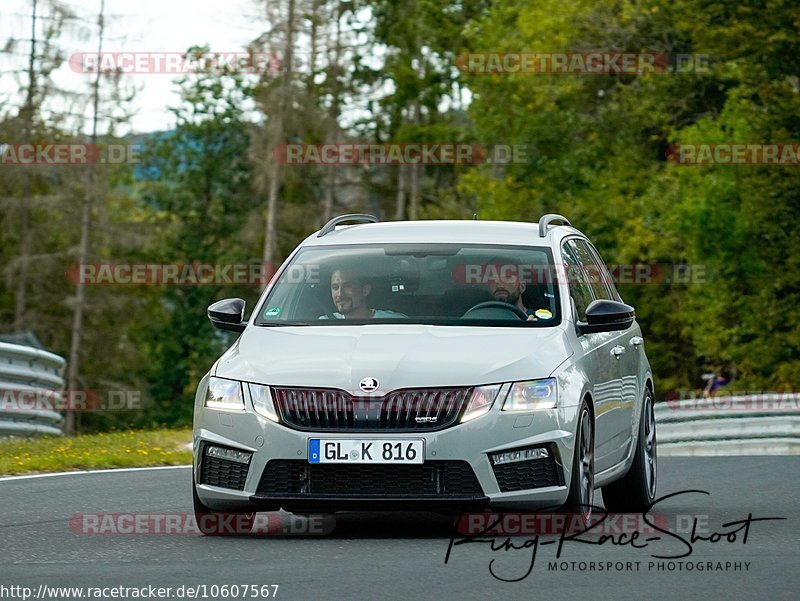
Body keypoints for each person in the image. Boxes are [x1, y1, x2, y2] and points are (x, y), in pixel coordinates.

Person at [320, 269, 406, 319]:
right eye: (335, 287)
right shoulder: (321, 324)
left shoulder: (394, 321)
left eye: (347, 286)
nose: (340, 294)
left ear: (365, 290)